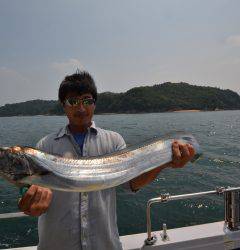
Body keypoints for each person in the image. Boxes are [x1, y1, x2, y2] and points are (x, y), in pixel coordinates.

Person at [18, 70, 195, 250]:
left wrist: (164, 162)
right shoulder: (45, 146)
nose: (81, 108)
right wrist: (31, 205)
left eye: (87, 101)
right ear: (63, 105)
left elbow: (132, 183)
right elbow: (32, 193)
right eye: (73, 101)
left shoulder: (113, 141)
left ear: (95, 104)